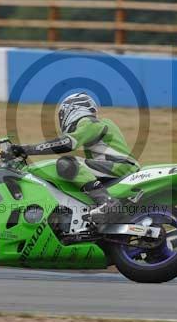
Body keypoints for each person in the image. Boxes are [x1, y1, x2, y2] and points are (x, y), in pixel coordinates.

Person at [11, 92, 139, 223]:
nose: (62, 119)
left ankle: (107, 203)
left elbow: (68, 143)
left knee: (68, 163)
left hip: (120, 166)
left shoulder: (90, 122)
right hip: (116, 167)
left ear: (74, 109)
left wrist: (27, 149)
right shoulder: (96, 125)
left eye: (63, 115)